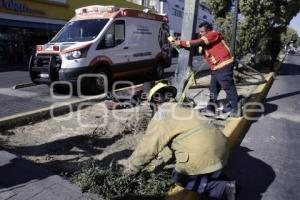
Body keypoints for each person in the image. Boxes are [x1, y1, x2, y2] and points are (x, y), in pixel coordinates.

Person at [124, 83, 236, 200]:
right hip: (221, 147)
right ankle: (220, 180)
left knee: (180, 177)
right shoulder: (182, 108)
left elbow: (147, 146)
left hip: (203, 153)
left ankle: (222, 188)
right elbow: (182, 138)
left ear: (155, 103)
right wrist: (163, 156)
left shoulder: (162, 114)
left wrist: (131, 168)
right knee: (206, 168)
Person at [174, 22, 240, 118]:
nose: (200, 33)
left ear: (208, 30)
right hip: (216, 67)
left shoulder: (213, 34)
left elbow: (198, 42)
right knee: (213, 89)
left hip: (223, 65)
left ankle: (236, 109)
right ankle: (211, 108)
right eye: (200, 32)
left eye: (202, 32)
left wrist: (181, 42)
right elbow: (198, 45)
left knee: (228, 87)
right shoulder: (206, 39)